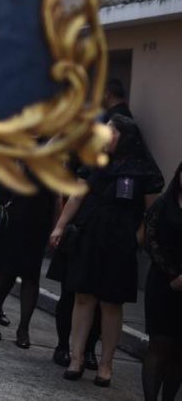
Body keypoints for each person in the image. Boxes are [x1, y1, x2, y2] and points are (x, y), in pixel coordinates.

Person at [51, 114, 164, 387]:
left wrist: (135, 240)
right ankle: (76, 358)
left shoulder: (143, 170)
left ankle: (106, 365)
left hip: (120, 242)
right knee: (82, 297)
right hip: (89, 235)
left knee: (111, 303)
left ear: (124, 137)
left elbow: (152, 213)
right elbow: (77, 196)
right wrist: (60, 226)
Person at [0, 172, 57, 347]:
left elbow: (57, 193)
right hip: (9, 217)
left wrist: (57, 227)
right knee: (2, 271)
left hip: (38, 220)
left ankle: (24, 329)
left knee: (31, 276)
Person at [142, 161, 182, 400]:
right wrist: (173, 275)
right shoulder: (163, 204)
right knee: (159, 343)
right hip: (162, 282)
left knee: (179, 351)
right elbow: (151, 238)